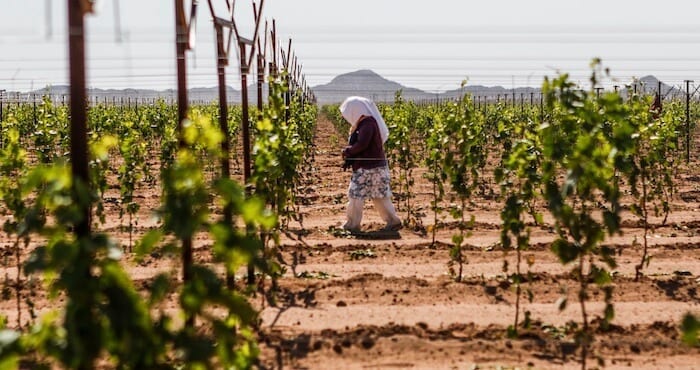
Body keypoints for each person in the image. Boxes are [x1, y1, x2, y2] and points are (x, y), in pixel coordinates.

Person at [339, 96, 402, 232]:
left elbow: (362, 144)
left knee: (356, 194)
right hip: (373, 166)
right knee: (379, 195)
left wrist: (348, 151)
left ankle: (352, 225)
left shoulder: (367, 124)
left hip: (368, 167)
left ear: (356, 111)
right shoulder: (366, 123)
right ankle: (393, 221)